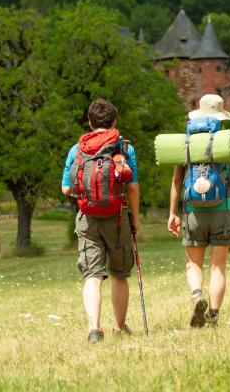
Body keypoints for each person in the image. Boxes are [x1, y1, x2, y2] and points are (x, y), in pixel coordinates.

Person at [167, 94, 230, 327]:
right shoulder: (229, 141)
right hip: (223, 208)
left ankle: (197, 294)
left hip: (193, 211)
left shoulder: (185, 143)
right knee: (218, 266)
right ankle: (213, 315)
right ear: (221, 118)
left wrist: (173, 213)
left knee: (193, 264)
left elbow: (177, 181)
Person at [62, 98, 140, 343]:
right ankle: (119, 326)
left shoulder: (77, 150)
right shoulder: (124, 148)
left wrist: (86, 194)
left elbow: (66, 188)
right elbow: (133, 186)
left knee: (92, 275)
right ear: (114, 122)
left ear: (89, 121)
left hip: (87, 218)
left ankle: (94, 329)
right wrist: (135, 219)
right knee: (119, 273)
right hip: (117, 216)